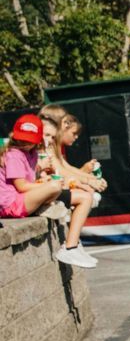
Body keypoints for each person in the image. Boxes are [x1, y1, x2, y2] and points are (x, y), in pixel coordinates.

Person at [0, 114, 97, 267]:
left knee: (85, 197)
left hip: (25, 198)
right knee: (55, 186)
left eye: (30, 140)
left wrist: (45, 179)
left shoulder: (31, 153)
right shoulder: (14, 155)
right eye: (22, 139)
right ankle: (47, 209)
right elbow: (22, 186)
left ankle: (72, 246)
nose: (25, 143)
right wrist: (48, 184)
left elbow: (30, 183)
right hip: (12, 204)